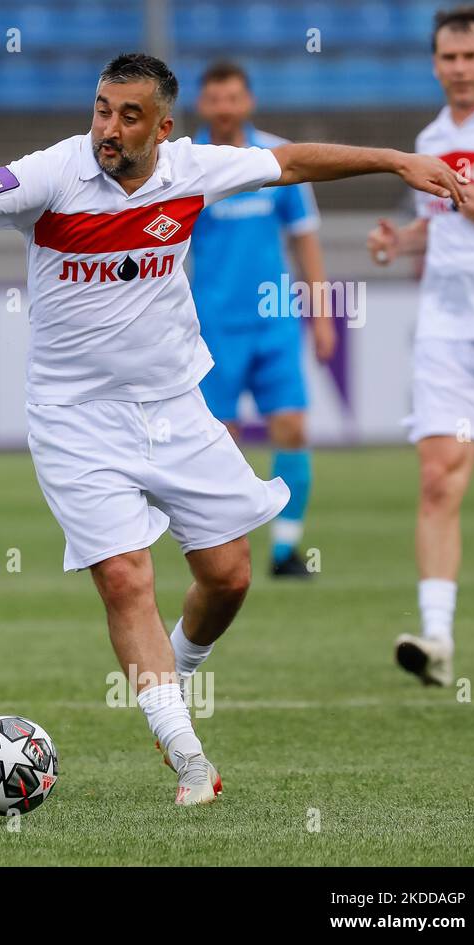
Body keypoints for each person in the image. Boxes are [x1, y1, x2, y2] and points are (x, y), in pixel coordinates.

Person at [0, 53, 464, 805]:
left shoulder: (191, 170)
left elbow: (290, 162)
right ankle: (186, 755)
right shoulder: (54, 174)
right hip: (75, 420)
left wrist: (396, 160)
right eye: (100, 109)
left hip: (177, 406)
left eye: (127, 116)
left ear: (162, 125)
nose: (107, 129)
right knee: (126, 576)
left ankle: (171, 674)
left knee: (230, 576)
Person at [368, 6, 474, 688]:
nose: (458, 68)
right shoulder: (431, 137)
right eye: (447, 58)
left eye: (470, 57)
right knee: (438, 475)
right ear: (434, 65)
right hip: (448, 334)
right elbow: (444, 221)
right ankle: (437, 637)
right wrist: (401, 241)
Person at [191, 61, 336, 578]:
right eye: (215, 99)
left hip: (274, 320)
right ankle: (230, 552)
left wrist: (322, 316)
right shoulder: (187, 164)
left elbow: (305, 238)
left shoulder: (277, 160)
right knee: (222, 442)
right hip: (212, 324)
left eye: (233, 97)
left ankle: (286, 550)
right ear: (202, 104)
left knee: (292, 426)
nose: (225, 107)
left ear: (247, 101)